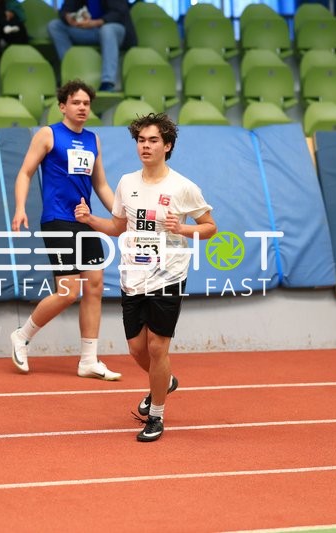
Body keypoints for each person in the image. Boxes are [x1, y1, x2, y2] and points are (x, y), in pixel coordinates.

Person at [75, 113, 217, 442]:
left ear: (167, 146)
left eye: (153, 140)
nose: (146, 146)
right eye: (141, 140)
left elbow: (210, 227)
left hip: (169, 272)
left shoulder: (183, 186)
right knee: (137, 349)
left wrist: (182, 228)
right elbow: (117, 227)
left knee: (157, 348)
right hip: (133, 275)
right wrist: (89, 219)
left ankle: (156, 415)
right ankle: (164, 382)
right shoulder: (127, 183)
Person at [10, 79, 121, 381]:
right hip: (58, 219)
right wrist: (20, 208)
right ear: (62, 106)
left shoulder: (92, 140)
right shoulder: (48, 135)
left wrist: (121, 213)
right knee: (68, 291)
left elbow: (100, 185)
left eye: (86, 103)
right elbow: (25, 172)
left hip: (84, 220)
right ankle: (22, 335)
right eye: (76, 102)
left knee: (95, 285)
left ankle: (88, 360)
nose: (83, 107)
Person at [47, 0, 137, 92]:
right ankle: (72, 71)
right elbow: (65, 9)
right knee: (55, 25)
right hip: (89, 31)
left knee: (107, 30)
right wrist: (69, 18)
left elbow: (118, 13)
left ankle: (108, 82)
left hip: (114, 30)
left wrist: (95, 23)